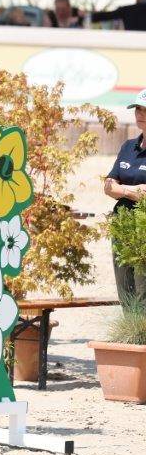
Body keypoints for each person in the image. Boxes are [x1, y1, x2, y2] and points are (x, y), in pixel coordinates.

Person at [105, 90, 146, 303]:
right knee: (125, 288)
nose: (140, 114)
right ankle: (129, 323)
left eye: (145, 110)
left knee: (143, 289)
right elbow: (108, 185)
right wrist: (131, 191)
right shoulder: (128, 146)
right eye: (138, 109)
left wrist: (120, 189)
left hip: (143, 226)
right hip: (121, 224)